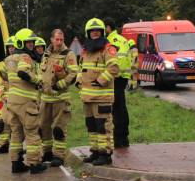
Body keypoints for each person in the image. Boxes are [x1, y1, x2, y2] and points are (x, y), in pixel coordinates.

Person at [77, 18, 119, 166]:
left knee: (103, 126)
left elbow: (113, 68)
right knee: (91, 126)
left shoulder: (108, 48)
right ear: (88, 33)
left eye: (97, 31)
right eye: (92, 31)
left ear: (102, 32)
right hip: (87, 97)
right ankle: (95, 151)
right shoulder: (85, 50)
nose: (95, 33)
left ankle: (105, 154)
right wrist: (78, 80)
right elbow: (81, 68)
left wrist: (99, 81)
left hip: (102, 97)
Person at [4, 28, 47, 174]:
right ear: (21, 43)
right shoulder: (25, 57)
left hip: (12, 102)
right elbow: (23, 72)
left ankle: (16, 164)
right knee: (32, 132)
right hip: (26, 101)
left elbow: (3, 75)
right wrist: (38, 80)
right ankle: (35, 164)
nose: (32, 45)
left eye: (32, 42)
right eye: (29, 42)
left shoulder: (9, 59)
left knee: (16, 133)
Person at [38, 29, 79, 167]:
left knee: (59, 128)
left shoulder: (68, 54)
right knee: (44, 127)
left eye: (61, 39)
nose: (59, 42)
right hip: (46, 99)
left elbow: (73, 73)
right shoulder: (46, 53)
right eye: (57, 39)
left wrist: (61, 83)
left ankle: (59, 156)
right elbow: (41, 72)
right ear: (51, 40)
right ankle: (47, 152)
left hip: (61, 98)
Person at [105, 19, 131, 148]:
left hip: (115, 78)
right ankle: (124, 138)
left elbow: (116, 60)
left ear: (108, 28)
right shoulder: (123, 39)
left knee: (115, 110)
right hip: (124, 77)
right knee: (122, 108)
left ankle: (118, 139)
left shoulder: (110, 41)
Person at [0, 36, 16, 154]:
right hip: (7, 99)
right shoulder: (4, 63)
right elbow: (2, 82)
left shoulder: (21, 61)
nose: (11, 49)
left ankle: (22, 149)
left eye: (13, 47)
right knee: (3, 123)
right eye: (9, 47)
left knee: (20, 125)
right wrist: (3, 95)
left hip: (19, 98)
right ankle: (2, 145)